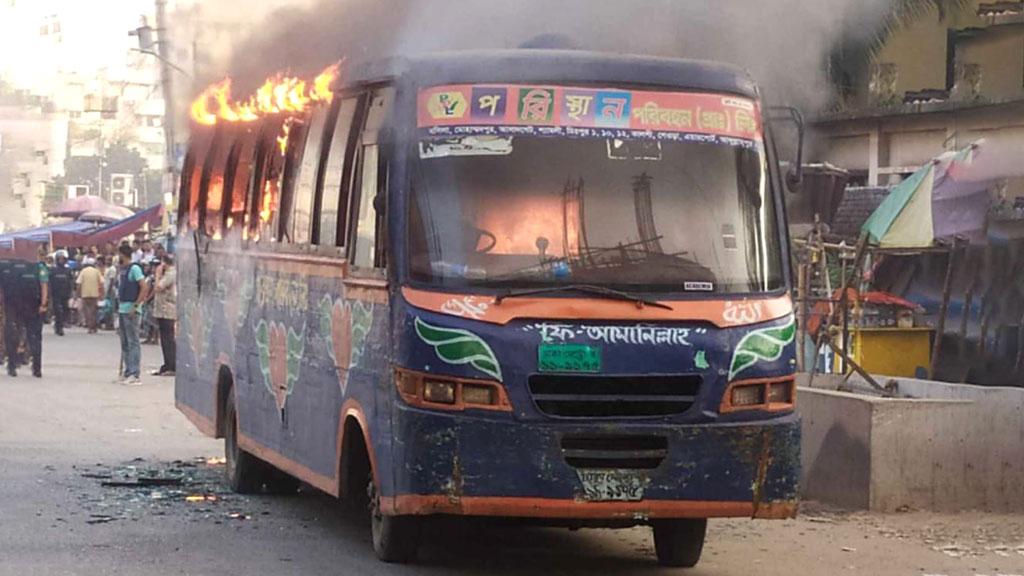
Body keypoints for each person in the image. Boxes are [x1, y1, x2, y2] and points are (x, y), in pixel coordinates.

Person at [4, 251, 48, 378]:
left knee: (13, 334)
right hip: (33, 306)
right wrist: (43, 303)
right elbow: (44, 285)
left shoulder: (11, 267)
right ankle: (36, 368)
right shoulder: (40, 268)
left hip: (15, 306)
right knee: (35, 337)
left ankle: (12, 366)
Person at [117, 243, 148, 385]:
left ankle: (135, 373)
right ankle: (128, 371)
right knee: (125, 342)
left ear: (123, 255)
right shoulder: (123, 270)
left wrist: (136, 306)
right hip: (122, 309)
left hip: (131, 311)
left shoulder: (134, 268)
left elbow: (144, 287)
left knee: (133, 341)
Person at [151, 254, 176, 376]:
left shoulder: (171, 274)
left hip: (168, 310)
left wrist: (157, 274)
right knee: (164, 339)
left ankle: (172, 365)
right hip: (162, 309)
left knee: (168, 339)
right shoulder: (167, 274)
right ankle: (167, 364)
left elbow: (158, 287)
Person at [76, 257, 104, 334]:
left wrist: (78, 293)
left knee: (87, 311)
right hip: (94, 293)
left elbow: (79, 283)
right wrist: (102, 293)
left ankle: (90, 327)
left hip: (85, 294)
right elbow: (101, 282)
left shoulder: (83, 271)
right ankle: (94, 326)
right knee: (93, 310)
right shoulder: (97, 271)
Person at [49, 252, 72, 336]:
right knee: (58, 311)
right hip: (56, 294)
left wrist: (71, 292)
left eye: (63, 259)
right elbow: (49, 282)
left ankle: (60, 324)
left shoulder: (68, 270)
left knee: (65, 310)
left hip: (65, 294)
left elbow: (70, 282)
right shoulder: (53, 270)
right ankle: (59, 327)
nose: (61, 260)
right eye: (60, 259)